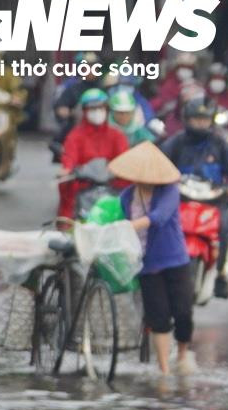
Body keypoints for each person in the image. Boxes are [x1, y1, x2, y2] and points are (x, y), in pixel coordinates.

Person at [111, 142, 196, 375]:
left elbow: (159, 217)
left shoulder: (169, 191)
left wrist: (130, 226)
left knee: (183, 313)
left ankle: (182, 354)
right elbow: (119, 219)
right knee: (158, 316)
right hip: (146, 264)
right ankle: (164, 369)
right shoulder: (127, 197)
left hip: (174, 260)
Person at [160, 98, 228, 298]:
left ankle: (221, 274)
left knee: (224, 227)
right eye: (196, 119)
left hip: (213, 201)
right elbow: (160, 164)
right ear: (187, 119)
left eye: (205, 119)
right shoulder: (176, 143)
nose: (200, 123)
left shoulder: (220, 144)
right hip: (181, 199)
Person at [57, 88, 129, 222]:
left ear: (107, 110)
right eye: (92, 109)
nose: (97, 112)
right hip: (84, 186)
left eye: (100, 108)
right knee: (66, 188)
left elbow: (124, 158)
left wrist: (122, 170)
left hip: (112, 186)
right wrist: (67, 169)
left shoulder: (117, 135)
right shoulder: (75, 136)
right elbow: (69, 157)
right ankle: (66, 226)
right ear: (84, 111)